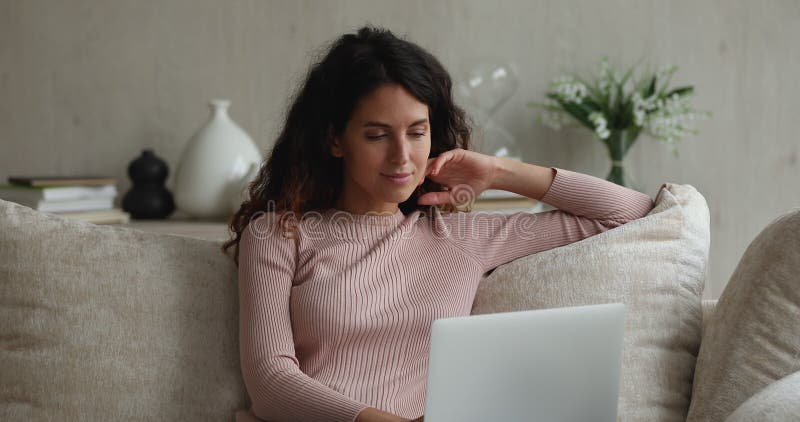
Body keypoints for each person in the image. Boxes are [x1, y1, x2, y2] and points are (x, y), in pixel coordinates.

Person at [222, 25, 654, 422]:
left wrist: (501, 172)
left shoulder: (460, 237)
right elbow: (270, 382)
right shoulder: (279, 234)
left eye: (416, 132)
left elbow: (629, 211)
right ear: (335, 139)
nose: (401, 156)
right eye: (377, 135)